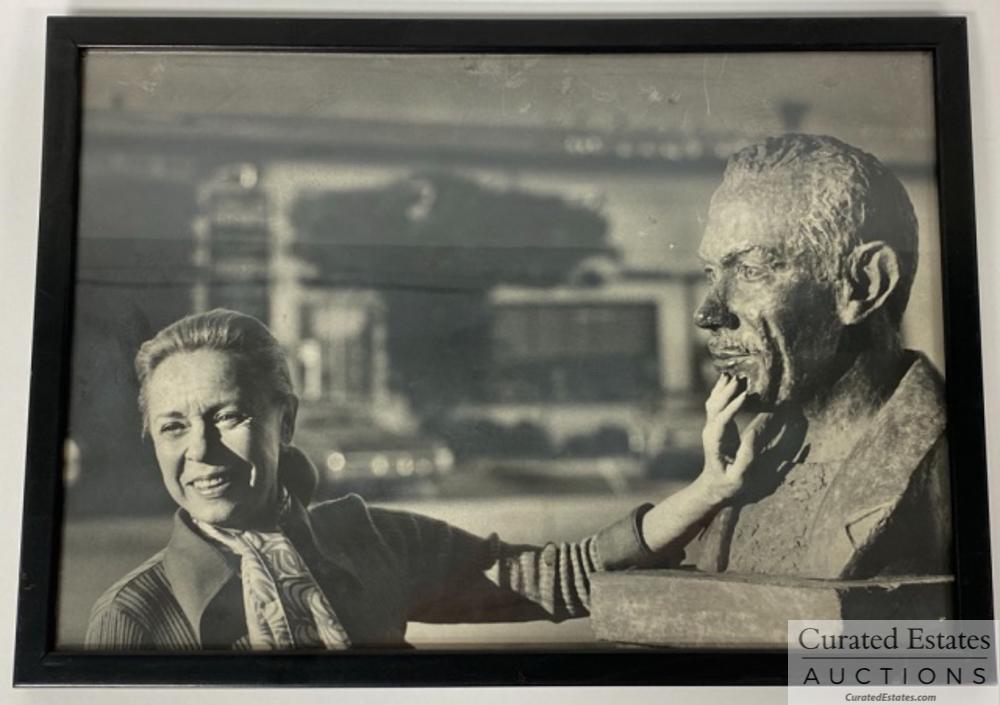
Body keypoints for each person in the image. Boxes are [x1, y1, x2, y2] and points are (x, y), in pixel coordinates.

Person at [86, 308, 768, 650]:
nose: (201, 450)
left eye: (226, 416)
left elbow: (555, 575)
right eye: (174, 426)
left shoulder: (371, 539)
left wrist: (710, 487)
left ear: (284, 419)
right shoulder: (136, 616)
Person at [687, 133, 950, 579]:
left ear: (863, 285)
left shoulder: (953, 462)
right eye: (712, 274)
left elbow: (965, 649)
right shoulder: (754, 455)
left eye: (750, 271)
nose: (707, 312)